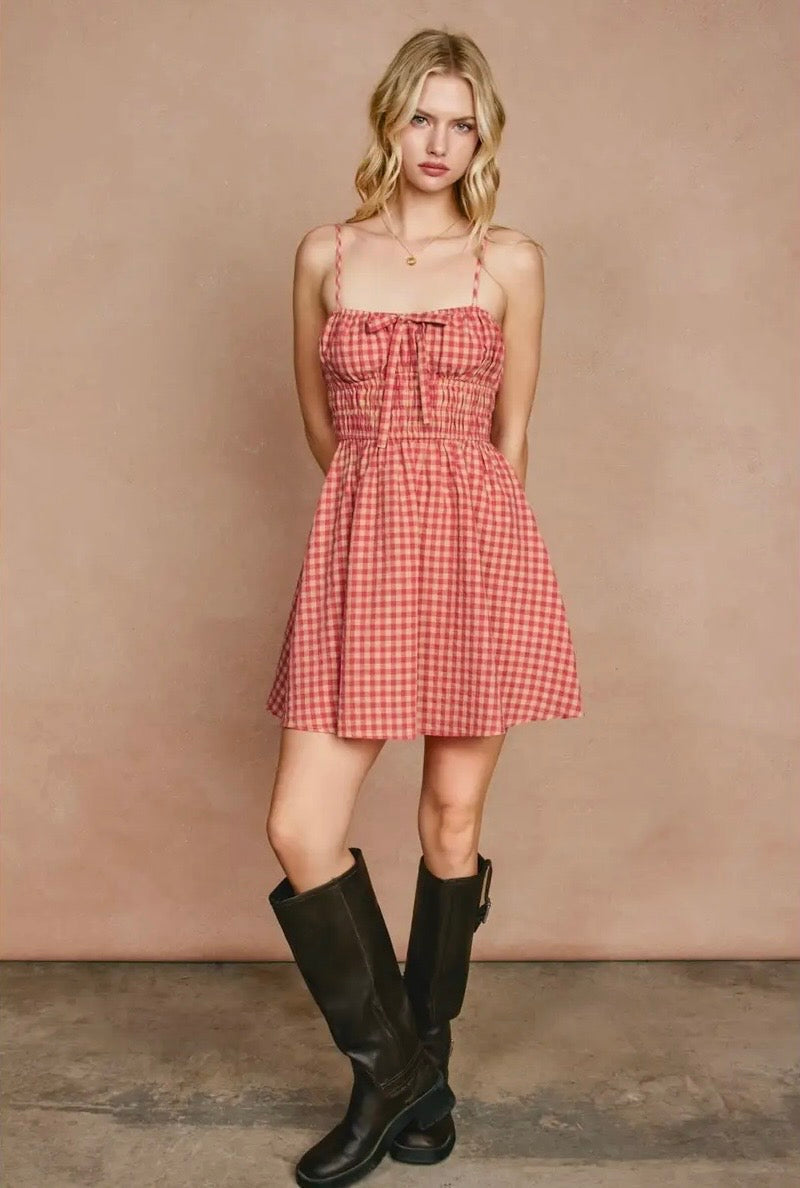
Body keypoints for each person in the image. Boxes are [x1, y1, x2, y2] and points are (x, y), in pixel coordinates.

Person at [264, 26, 584, 1188]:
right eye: (421, 117)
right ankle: (396, 1074)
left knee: (450, 822)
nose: (439, 143)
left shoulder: (511, 262)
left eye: (462, 123)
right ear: (387, 120)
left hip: (477, 552)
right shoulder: (324, 254)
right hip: (360, 551)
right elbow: (320, 425)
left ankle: (420, 1063)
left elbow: (513, 437)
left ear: (482, 136)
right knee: (301, 826)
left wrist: (464, 538)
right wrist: (378, 509)